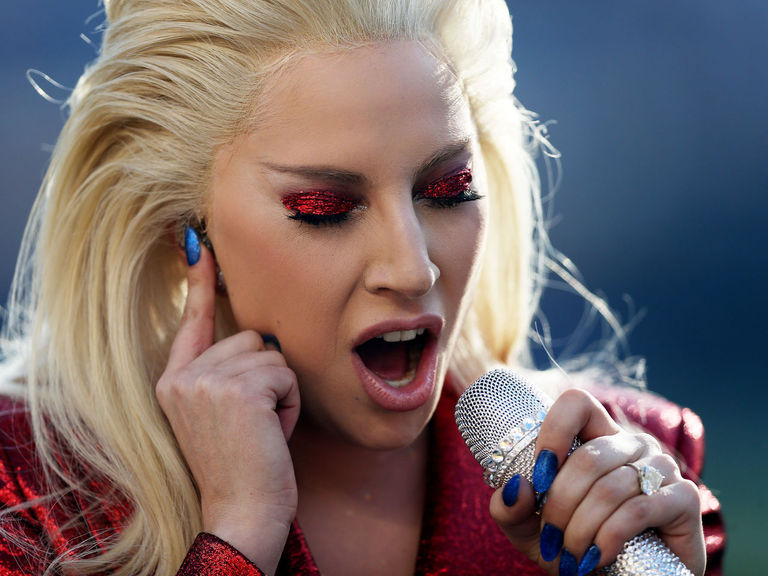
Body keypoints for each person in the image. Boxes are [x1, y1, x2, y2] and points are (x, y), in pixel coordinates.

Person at [0, 1, 724, 575]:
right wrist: (237, 537)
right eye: (326, 209)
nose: (412, 269)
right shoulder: (26, 495)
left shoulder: (638, 483)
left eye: (448, 190)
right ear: (184, 230)